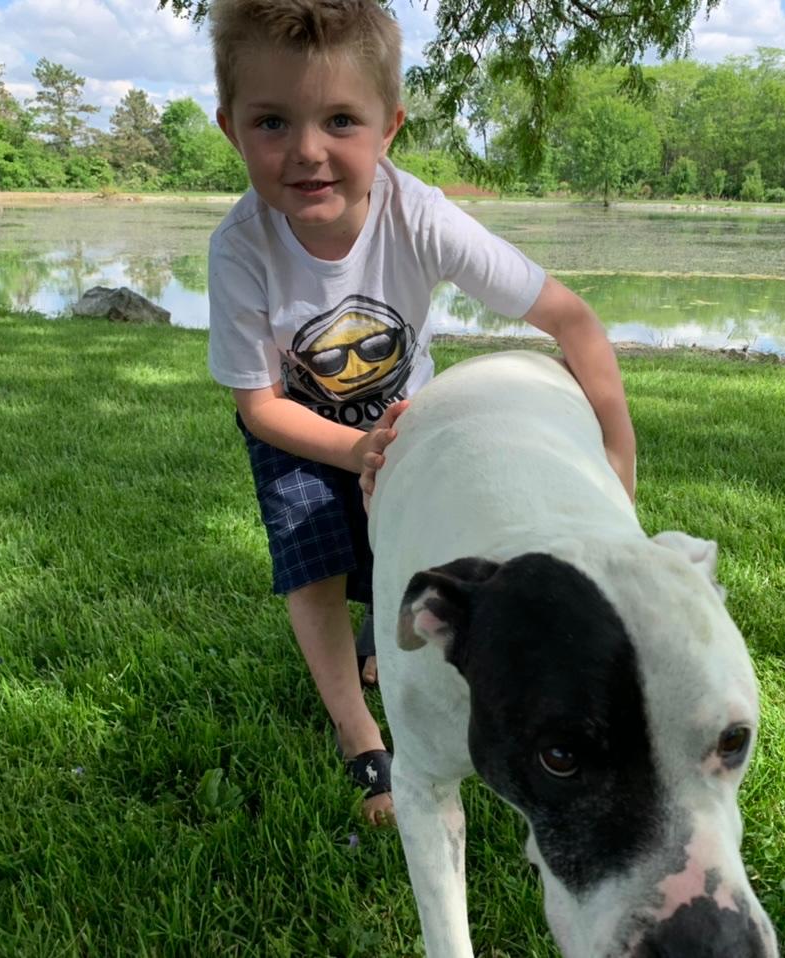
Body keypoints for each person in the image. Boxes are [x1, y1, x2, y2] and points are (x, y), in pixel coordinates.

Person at [206, 0, 637, 826]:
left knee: (407, 564)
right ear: (231, 129)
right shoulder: (240, 248)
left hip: (407, 416)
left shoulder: (419, 215)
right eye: (272, 122)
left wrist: (617, 461)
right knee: (315, 564)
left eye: (339, 119)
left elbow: (571, 321)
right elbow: (258, 405)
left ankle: (384, 641)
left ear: (389, 127)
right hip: (301, 426)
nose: (307, 151)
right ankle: (361, 736)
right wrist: (353, 448)